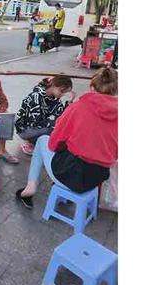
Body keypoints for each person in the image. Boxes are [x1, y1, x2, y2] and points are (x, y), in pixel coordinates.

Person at [15, 67, 118, 209]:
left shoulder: (78, 107)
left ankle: (30, 187)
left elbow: (53, 144)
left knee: (43, 141)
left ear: (92, 87)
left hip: (72, 174)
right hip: (98, 177)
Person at [15, 76, 74, 156]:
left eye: (65, 92)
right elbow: (34, 122)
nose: (63, 94)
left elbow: (61, 116)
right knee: (55, 131)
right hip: (25, 128)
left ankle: (35, 142)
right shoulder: (36, 96)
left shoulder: (55, 99)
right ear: (53, 85)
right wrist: (55, 124)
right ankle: (28, 141)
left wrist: (69, 104)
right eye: (62, 91)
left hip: (39, 127)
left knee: (62, 129)